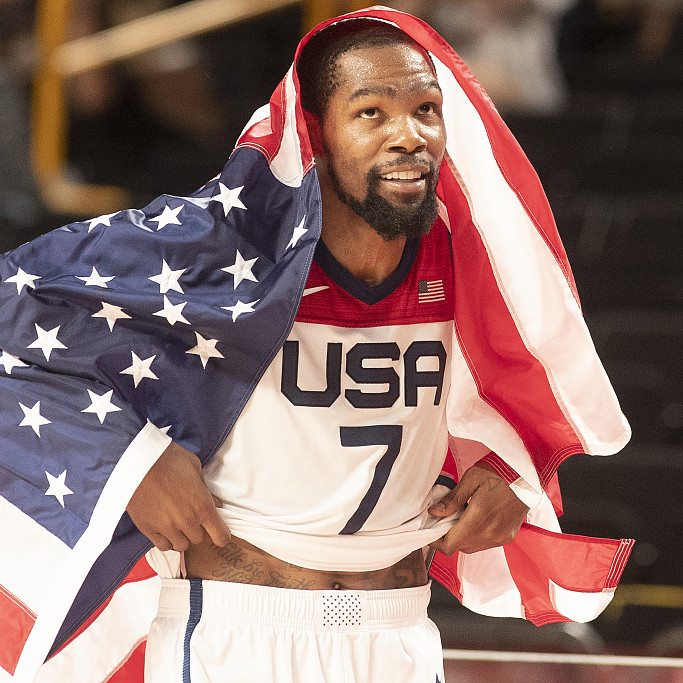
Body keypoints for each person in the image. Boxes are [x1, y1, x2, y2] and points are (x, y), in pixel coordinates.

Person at [0, 7, 631, 683]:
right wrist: (129, 460)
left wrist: (510, 473)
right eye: (371, 113)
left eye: (426, 109)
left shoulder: (480, 268)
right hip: (238, 632)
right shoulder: (211, 251)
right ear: (316, 132)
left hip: (397, 634)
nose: (408, 135)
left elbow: (512, 401)